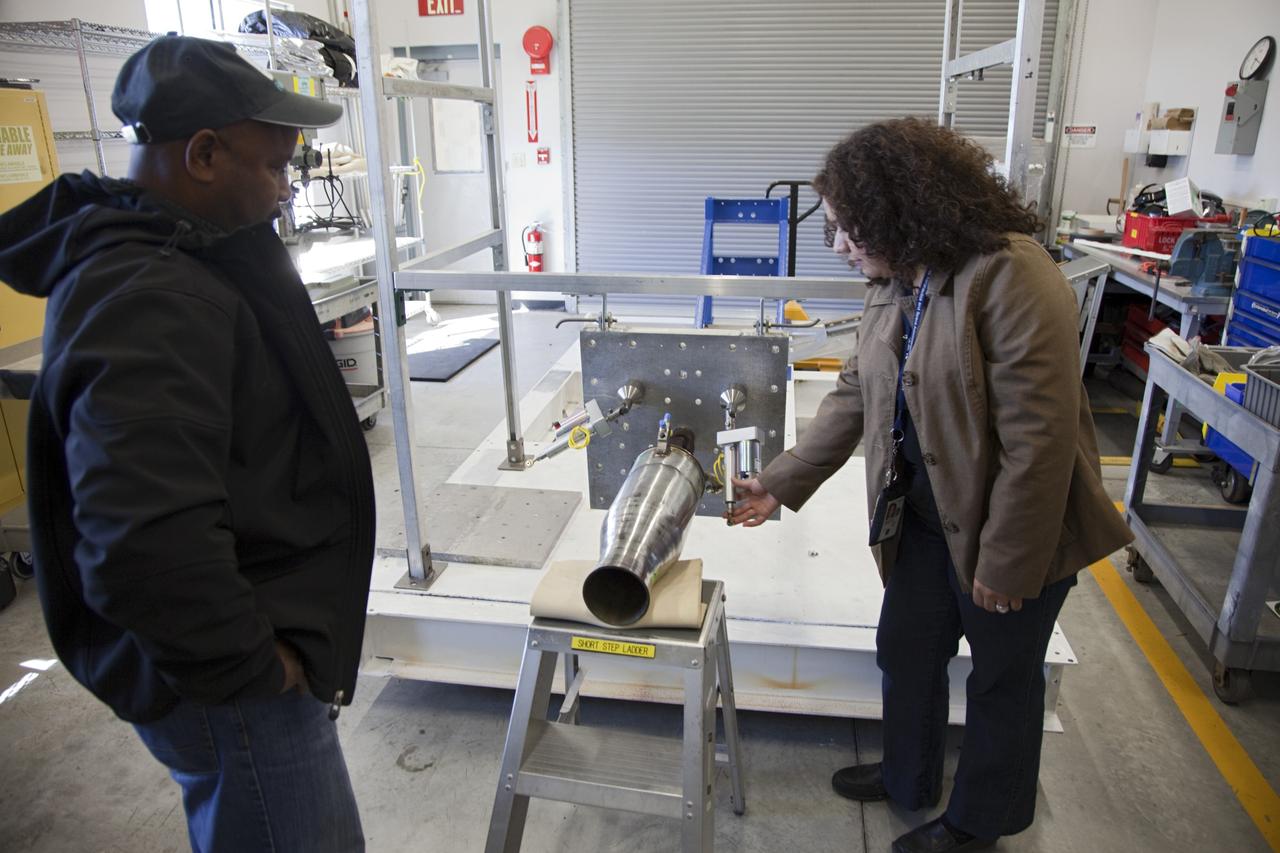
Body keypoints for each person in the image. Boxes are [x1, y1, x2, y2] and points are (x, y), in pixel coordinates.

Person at [0, 36, 375, 852]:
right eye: (274, 167)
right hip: (237, 696)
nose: (286, 189)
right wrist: (252, 669)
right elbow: (143, 541)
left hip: (246, 665)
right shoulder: (153, 297)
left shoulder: (188, 249)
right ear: (203, 154)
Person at [730, 118, 1132, 853]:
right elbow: (856, 392)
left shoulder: (1011, 273)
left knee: (1002, 680)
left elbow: (1040, 441)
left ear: (899, 209)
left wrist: (1008, 561)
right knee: (906, 649)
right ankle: (908, 775)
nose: (839, 244)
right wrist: (780, 482)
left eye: (849, 226)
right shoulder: (895, 280)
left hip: (1010, 525)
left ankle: (979, 824)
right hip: (921, 516)